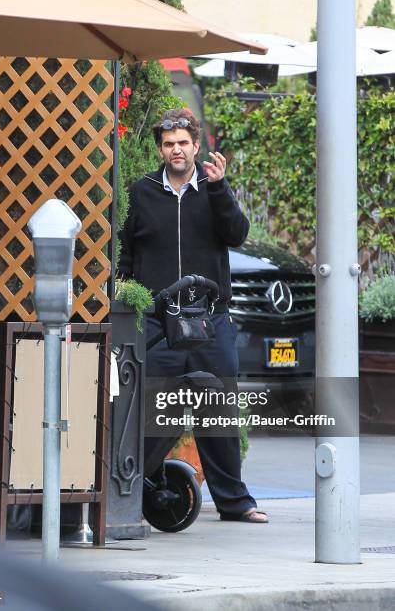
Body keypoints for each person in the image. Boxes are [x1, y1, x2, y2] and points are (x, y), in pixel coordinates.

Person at [119, 108, 268, 523]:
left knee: (218, 411)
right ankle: (129, 493)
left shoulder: (212, 187)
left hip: (211, 321)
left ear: (196, 146)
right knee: (150, 411)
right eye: (169, 144)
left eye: (183, 143)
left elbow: (237, 233)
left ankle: (235, 503)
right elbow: (126, 256)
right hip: (158, 324)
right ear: (160, 150)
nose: (176, 150)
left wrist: (220, 189)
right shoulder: (141, 191)